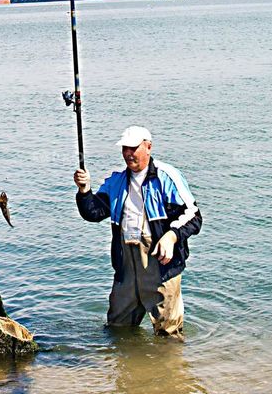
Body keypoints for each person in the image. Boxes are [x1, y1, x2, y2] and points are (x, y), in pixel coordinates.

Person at [73, 125, 202, 337]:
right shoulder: (116, 181)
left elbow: (194, 216)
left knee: (168, 333)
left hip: (160, 265)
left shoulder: (167, 177)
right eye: (125, 148)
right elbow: (93, 213)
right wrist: (85, 191)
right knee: (117, 328)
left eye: (133, 148)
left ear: (148, 147)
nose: (128, 154)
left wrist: (171, 236)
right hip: (126, 265)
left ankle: (166, 368)